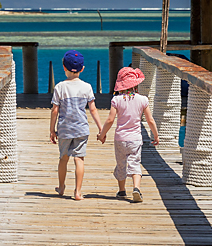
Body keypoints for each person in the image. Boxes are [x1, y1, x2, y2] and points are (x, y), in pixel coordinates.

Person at [97, 66, 158, 203]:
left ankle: (122, 191)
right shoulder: (143, 100)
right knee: (135, 164)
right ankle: (136, 188)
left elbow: (110, 120)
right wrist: (156, 135)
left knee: (121, 164)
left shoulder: (116, 100)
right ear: (136, 85)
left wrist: (102, 134)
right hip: (135, 139)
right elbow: (150, 120)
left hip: (120, 139)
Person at [49, 50, 102, 201]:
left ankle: (61, 187)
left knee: (63, 158)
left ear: (64, 67)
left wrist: (52, 130)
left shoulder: (60, 87)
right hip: (81, 129)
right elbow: (93, 109)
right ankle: (78, 192)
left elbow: (55, 110)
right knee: (79, 159)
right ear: (82, 69)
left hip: (65, 129)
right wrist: (100, 128)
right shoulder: (87, 87)